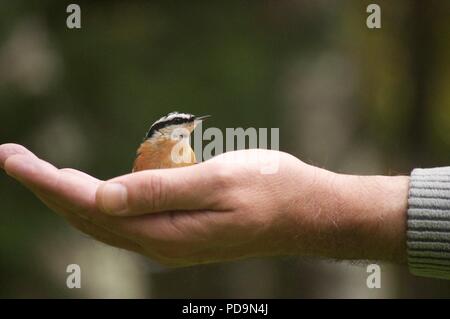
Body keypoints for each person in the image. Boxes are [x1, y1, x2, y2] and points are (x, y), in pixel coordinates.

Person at [0, 143, 448, 279]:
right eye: (176, 127)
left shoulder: (190, 154)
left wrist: (298, 205)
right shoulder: (150, 153)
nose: (184, 133)